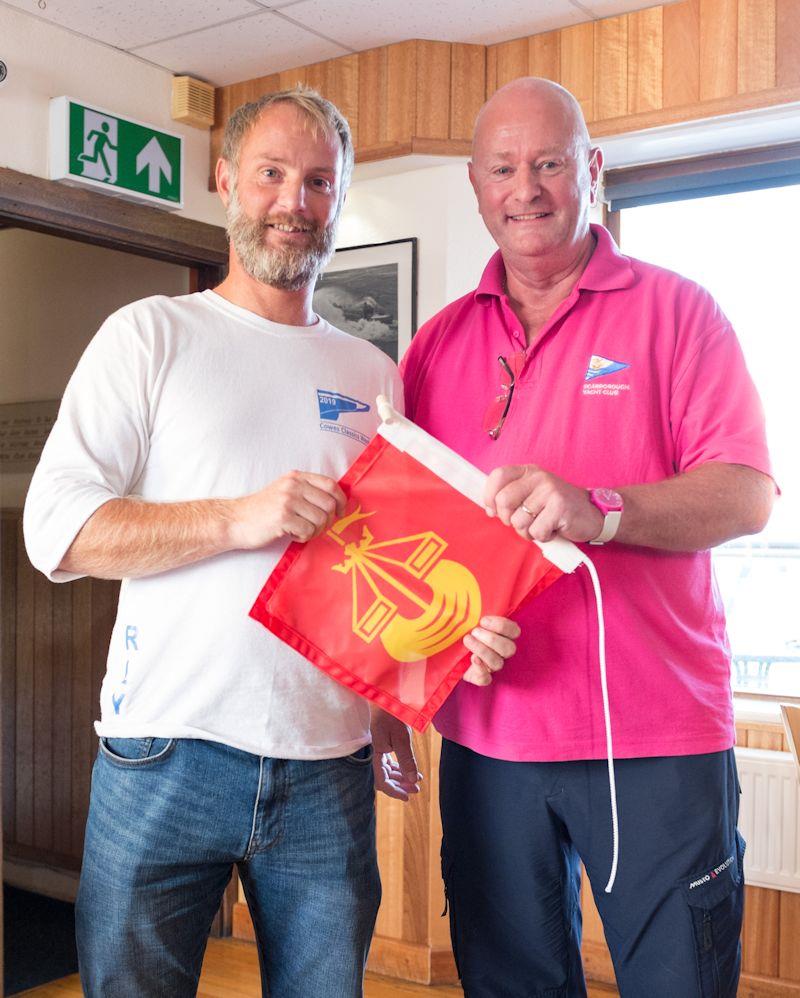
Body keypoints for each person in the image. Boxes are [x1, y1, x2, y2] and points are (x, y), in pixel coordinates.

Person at [23, 87, 516, 998]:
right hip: (164, 755)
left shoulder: (373, 375)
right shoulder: (149, 338)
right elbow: (56, 530)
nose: (295, 200)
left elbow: (386, 564)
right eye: (272, 175)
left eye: (320, 182)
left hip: (327, 768)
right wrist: (237, 517)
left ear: (339, 199)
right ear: (225, 183)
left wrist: (383, 710)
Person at [400, 78, 775, 997]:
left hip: (654, 741)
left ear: (593, 172)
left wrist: (604, 510)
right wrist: (398, 695)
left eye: (548, 164)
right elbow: (404, 544)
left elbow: (748, 494)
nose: (524, 188)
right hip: (489, 744)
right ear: (476, 186)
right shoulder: (436, 346)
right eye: (502, 168)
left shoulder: (680, 313)